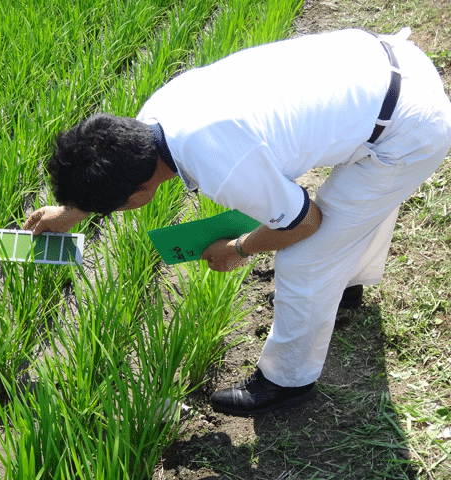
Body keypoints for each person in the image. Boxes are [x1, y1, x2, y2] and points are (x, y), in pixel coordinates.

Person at [23, 28, 451, 416]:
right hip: (387, 60)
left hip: (410, 126)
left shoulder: (222, 162)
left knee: (305, 260)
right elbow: (122, 168)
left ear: (137, 197)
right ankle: (346, 286)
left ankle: (287, 381)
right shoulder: (153, 116)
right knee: (356, 212)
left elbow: (305, 223)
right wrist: (73, 209)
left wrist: (238, 248)